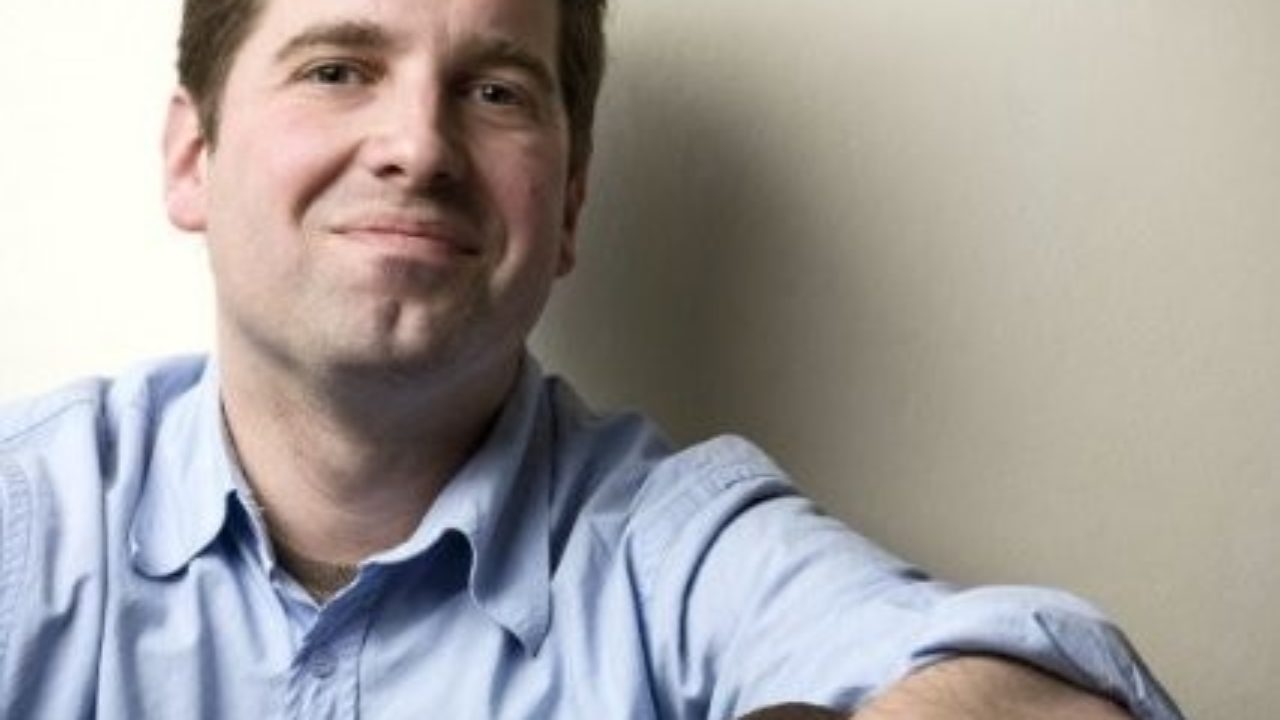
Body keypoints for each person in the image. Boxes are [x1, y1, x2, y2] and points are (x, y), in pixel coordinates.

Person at [0, 0, 1182, 717]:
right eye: (337, 68)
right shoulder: (27, 526)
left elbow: (1054, 692)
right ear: (192, 159)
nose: (417, 146)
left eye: (494, 90)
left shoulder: (682, 552)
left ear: (566, 207)